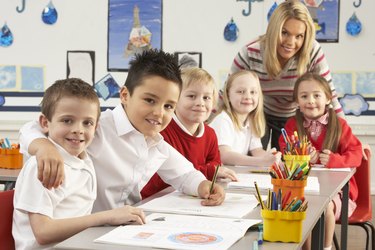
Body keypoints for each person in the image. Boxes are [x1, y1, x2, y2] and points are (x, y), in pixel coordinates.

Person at [19, 49, 225, 214]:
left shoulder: (155, 142)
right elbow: (31, 127)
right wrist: (43, 146)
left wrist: (204, 186)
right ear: (125, 95)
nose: (159, 113)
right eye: (150, 100)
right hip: (83, 232)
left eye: (169, 106)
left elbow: (185, 175)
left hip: (121, 229)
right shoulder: (97, 126)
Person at [13, 79, 146, 249]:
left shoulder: (83, 159)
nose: (78, 129)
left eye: (87, 123)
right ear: (45, 123)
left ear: (96, 127)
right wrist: (107, 216)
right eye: (67, 120)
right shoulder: (43, 166)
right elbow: (43, 232)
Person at [230, 0, 343, 150]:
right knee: (254, 159)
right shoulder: (250, 53)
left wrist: (348, 139)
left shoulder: (312, 51)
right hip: (258, 113)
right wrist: (207, 132)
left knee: (290, 162)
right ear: (274, 30)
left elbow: (330, 95)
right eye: (284, 33)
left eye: (299, 36)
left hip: (294, 117)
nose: (291, 42)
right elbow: (225, 94)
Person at [278, 73, 362, 250]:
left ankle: (326, 247)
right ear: (297, 102)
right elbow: (285, 151)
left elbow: (356, 154)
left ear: (328, 98)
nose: (310, 100)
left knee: (325, 206)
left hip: (338, 193)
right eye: (304, 96)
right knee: (302, 206)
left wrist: (333, 160)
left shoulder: (339, 125)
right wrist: (300, 156)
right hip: (304, 188)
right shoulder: (292, 125)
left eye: (316, 95)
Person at [141, 67, 237, 199]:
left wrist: (209, 171)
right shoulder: (161, 130)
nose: (200, 103)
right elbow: (161, 177)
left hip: (191, 197)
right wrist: (207, 170)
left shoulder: (210, 134)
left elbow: (216, 165)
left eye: (206, 98)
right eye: (192, 96)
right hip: (155, 200)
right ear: (175, 101)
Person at [209, 70, 281, 167]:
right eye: (240, 91)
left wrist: (274, 159)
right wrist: (262, 161)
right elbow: (224, 155)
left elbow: (257, 151)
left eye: (253, 92)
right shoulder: (223, 120)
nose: (248, 96)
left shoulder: (251, 121)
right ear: (228, 95)